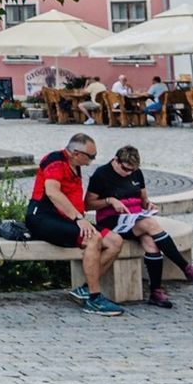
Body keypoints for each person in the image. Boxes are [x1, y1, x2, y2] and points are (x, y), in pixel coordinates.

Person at [86, 146, 193, 308]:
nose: (128, 173)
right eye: (125, 169)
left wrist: (148, 205)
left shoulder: (136, 173)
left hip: (136, 218)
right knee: (150, 225)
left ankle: (156, 292)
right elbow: (88, 204)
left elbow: (143, 199)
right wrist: (109, 201)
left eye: (132, 170)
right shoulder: (101, 175)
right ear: (115, 160)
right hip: (112, 219)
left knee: (150, 241)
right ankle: (186, 268)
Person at [24, 133, 128, 315]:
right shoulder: (55, 161)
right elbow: (53, 192)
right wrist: (79, 219)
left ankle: (85, 289)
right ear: (75, 153)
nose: (92, 160)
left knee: (115, 241)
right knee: (93, 239)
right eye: (91, 156)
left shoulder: (75, 164)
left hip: (67, 218)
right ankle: (94, 299)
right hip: (43, 218)